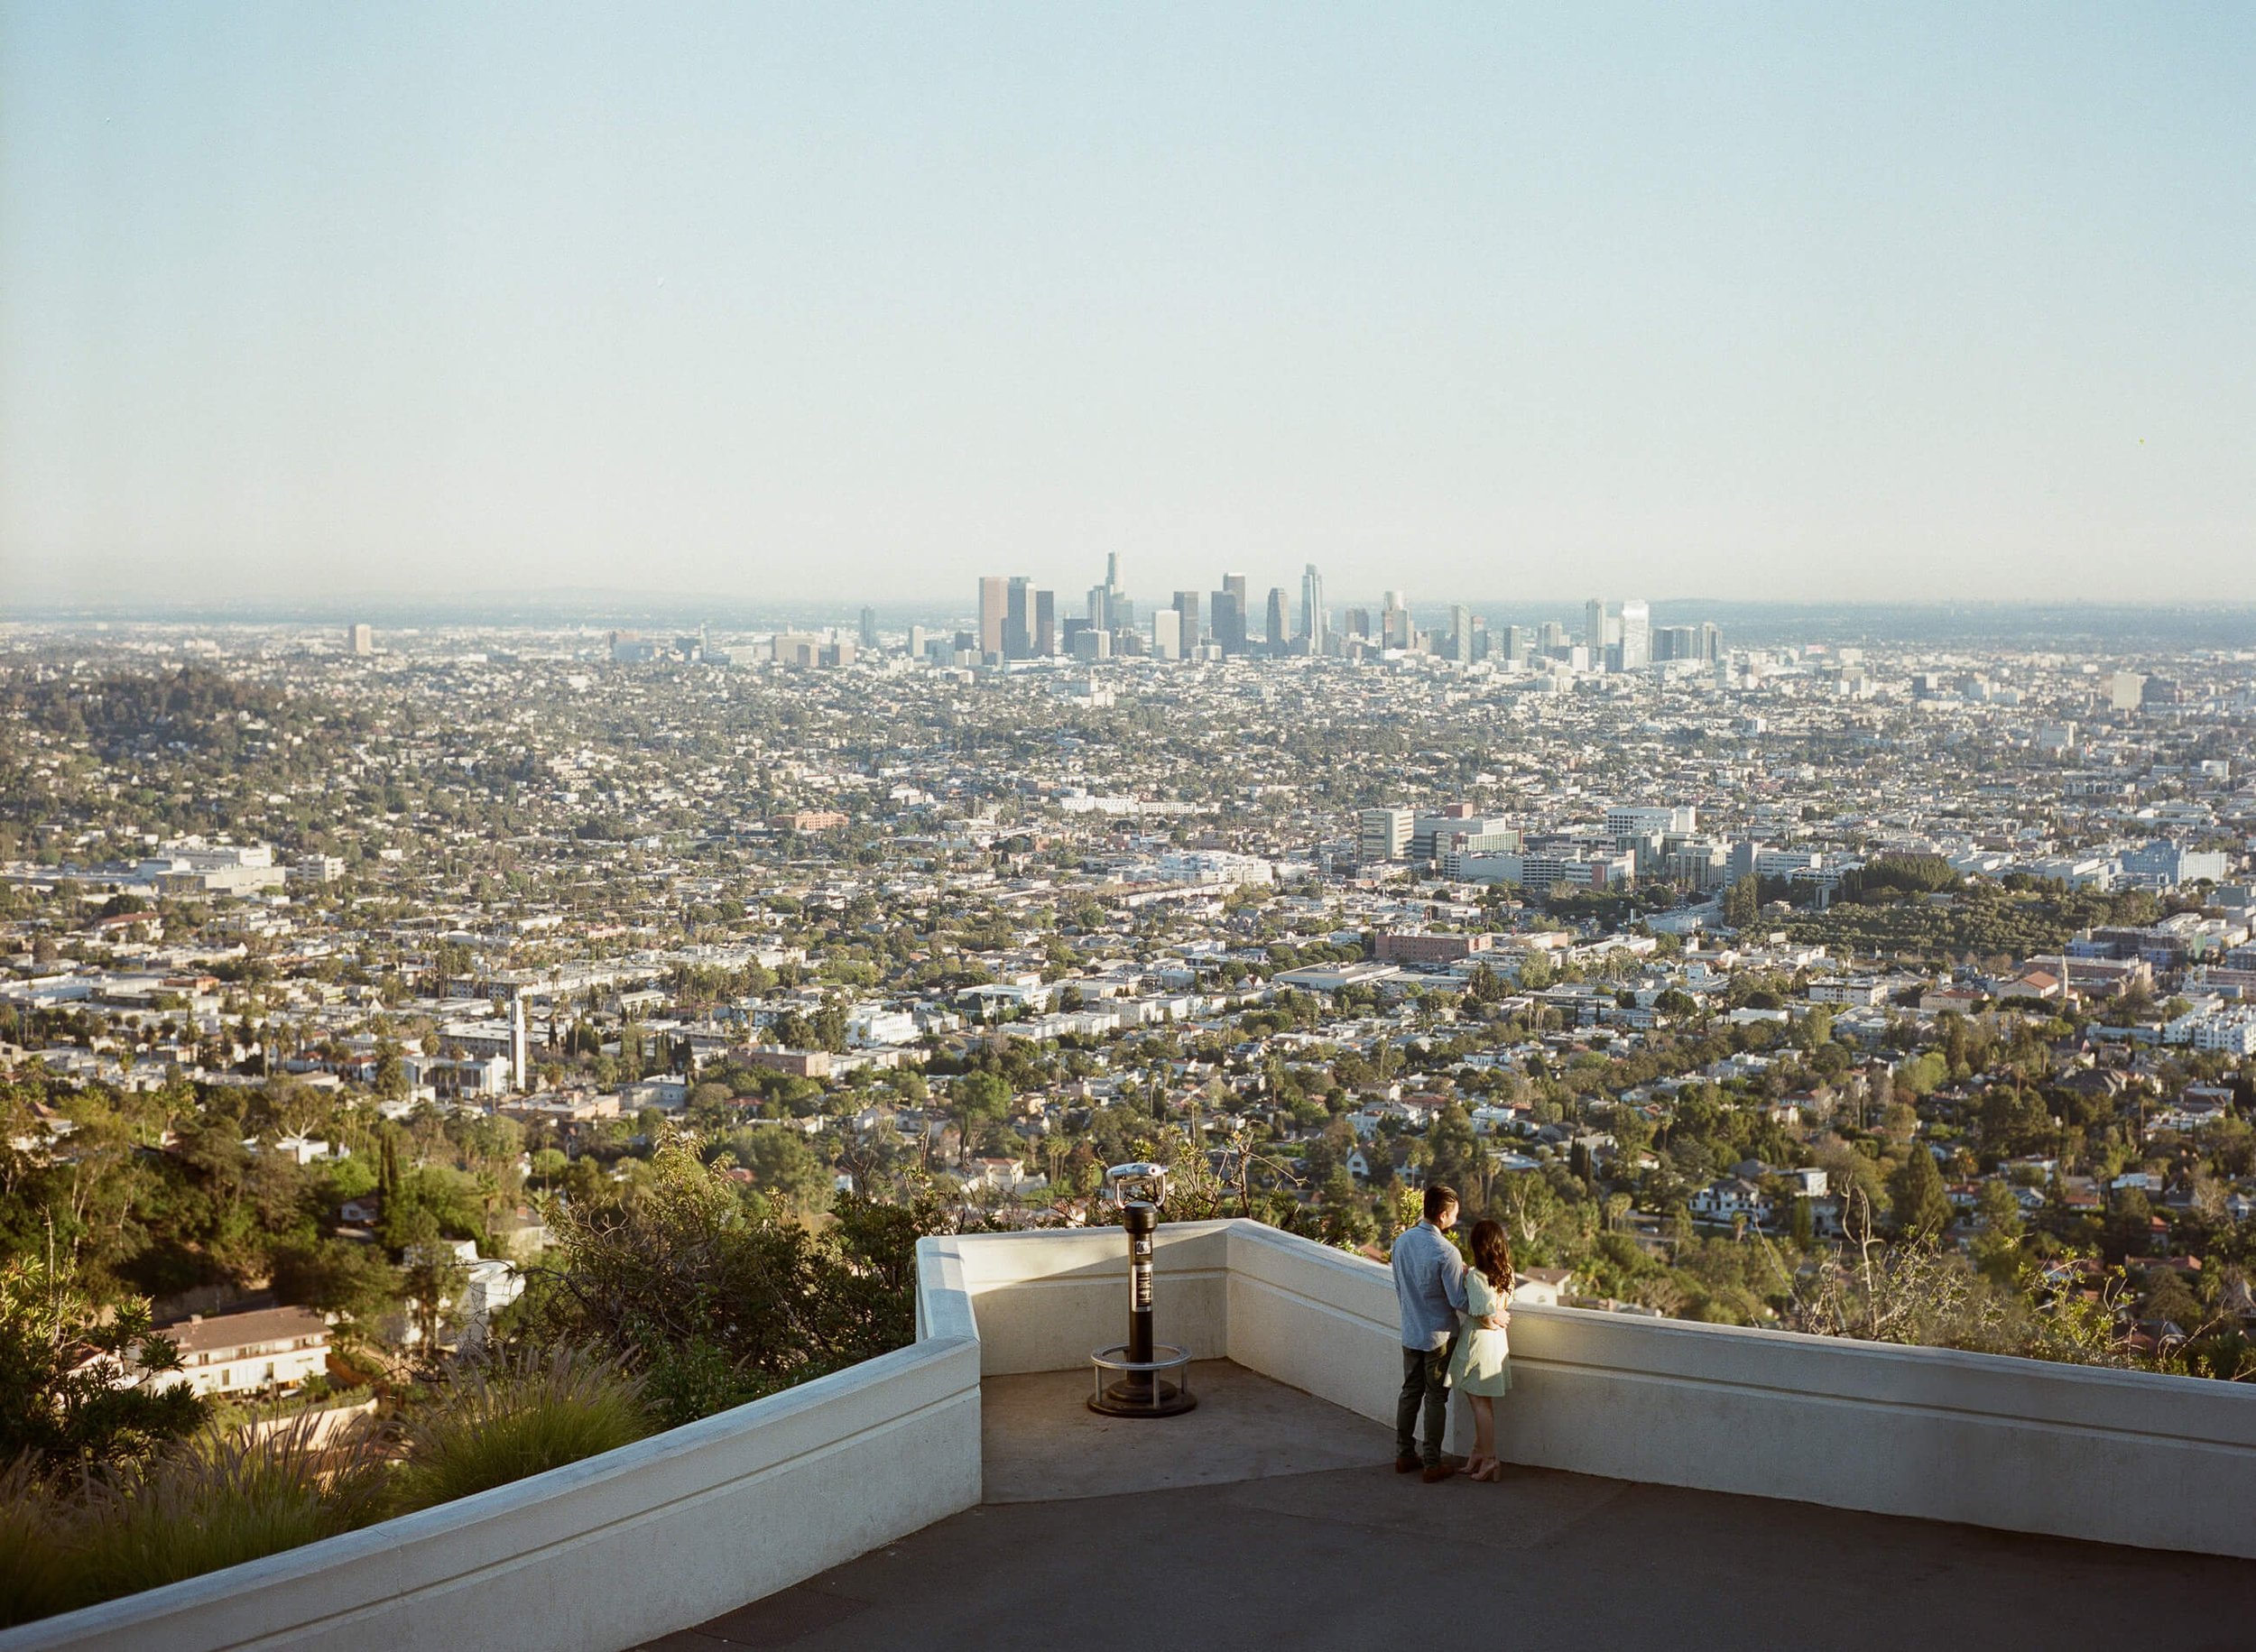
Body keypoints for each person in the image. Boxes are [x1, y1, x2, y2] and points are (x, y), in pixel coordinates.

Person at [1390, 1184, 1466, 1482]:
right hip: (1439, 1338)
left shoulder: (1402, 1242)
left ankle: (1404, 1454)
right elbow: (1458, 1301)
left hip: (1411, 1330)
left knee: (1410, 1392)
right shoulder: (1447, 1252)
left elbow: (1398, 1285)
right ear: (1444, 1214)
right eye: (1455, 1215)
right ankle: (1432, 1463)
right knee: (1435, 1399)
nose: (1456, 1221)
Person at [1448, 1219, 1516, 1482]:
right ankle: (1478, 1453)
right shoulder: (1507, 1271)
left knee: (1478, 1403)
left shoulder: (1477, 1276)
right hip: (1497, 1343)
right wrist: (1496, 1315)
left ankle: (1489, 1459)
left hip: (1479, 1342)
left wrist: (1492, 1315)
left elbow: (1483, 1314)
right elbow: (1498, 1308)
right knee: (1483, 1403)